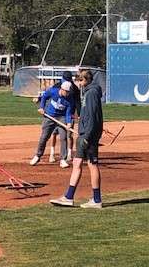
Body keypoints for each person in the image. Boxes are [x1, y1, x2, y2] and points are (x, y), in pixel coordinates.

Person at [50, 69, 103, 208]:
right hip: (83, 134)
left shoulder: (91, 93)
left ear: (84, 80)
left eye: (79, 81)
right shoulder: (87, 92)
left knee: (92, 165)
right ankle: (69, 197)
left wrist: (87, 136)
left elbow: (92, 116)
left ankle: (97, 200)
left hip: (87, 136)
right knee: (77, 163)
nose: (78, 84)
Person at [30, 80, 75, 169]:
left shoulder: (70, 100)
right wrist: (42, 107)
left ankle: (63, 159)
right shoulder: (53, 91)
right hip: (49, 116)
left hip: (61, 118)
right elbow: (44, 96)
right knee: (44, 137)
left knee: (63, 137)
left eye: (69, 92)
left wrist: (69, 122)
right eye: (67, 92)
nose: (68, 94)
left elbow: (68, 113)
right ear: (62, 89)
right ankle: (38, 156)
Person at [47, 71, 81, 163]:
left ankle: (69, 154)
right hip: (56, 114)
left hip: (69, 114)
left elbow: (78, 102)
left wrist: (79, 113)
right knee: (54, 134)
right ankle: (52, 154)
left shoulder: (74, 89)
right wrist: (38, 99)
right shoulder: (57, 86)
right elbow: (48, 94)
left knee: (68, 135)